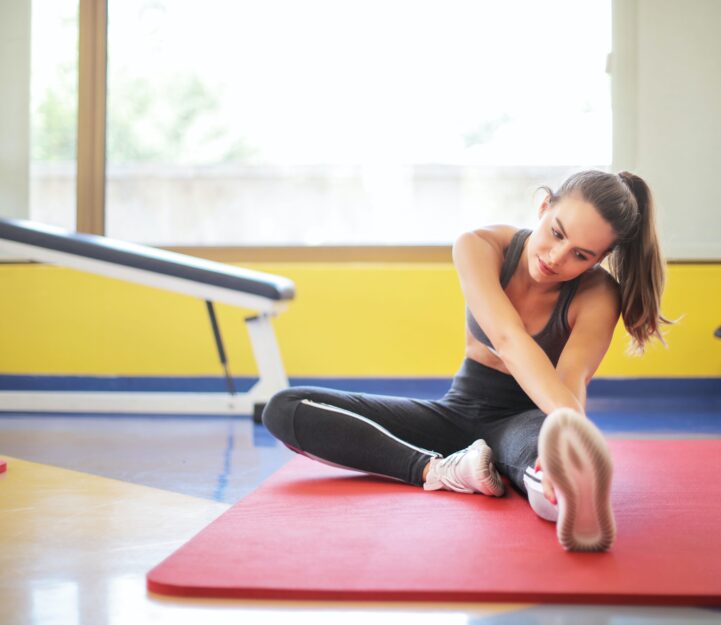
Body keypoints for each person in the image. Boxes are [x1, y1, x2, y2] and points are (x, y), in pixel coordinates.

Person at [262, 170, 670, 552]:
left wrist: (565, 438)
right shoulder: (479, 246)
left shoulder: (598, 294)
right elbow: (508, 338)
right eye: (556, 233)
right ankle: (439, 470)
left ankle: (568, 493)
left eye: (580, 255)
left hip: (528, 420)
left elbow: (572, 379)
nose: (557, 257)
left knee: (549, 473)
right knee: (285, 409)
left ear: (598, 260)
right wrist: (569, 422)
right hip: (456, 412)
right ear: (543, 207)